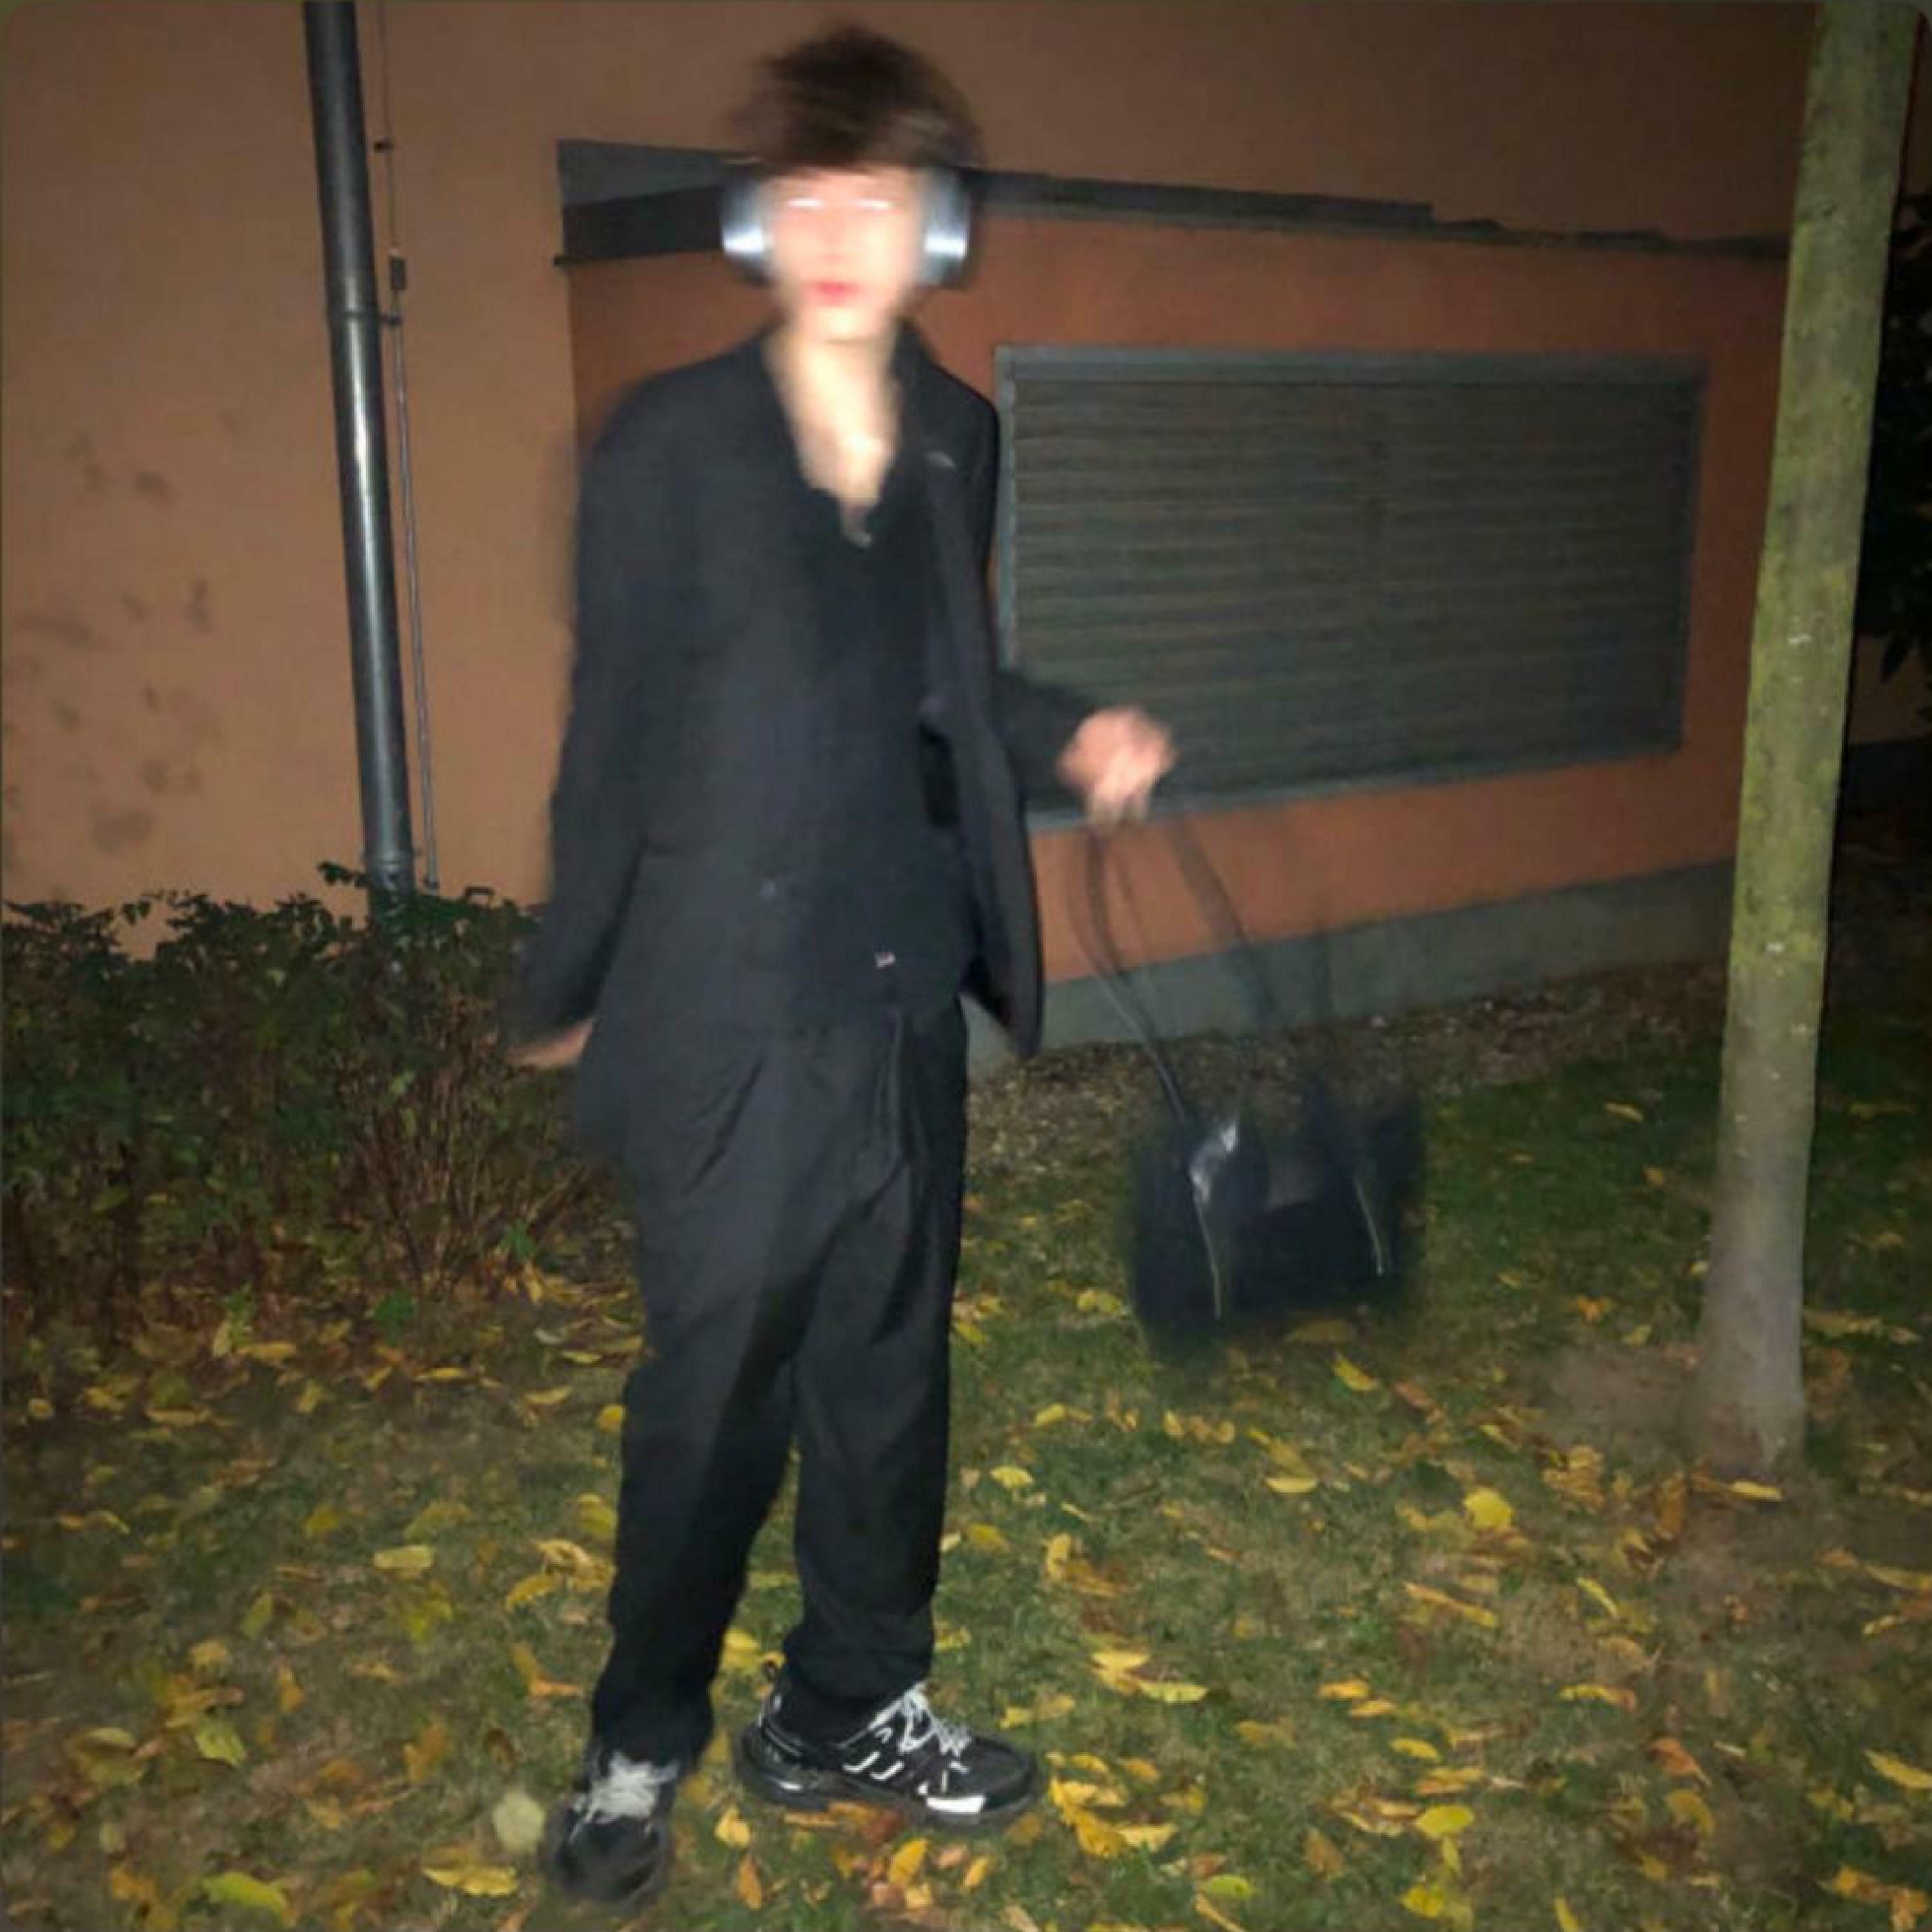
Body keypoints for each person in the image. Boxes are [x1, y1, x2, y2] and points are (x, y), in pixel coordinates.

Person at [498, 22, 1174, 1912]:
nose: (839, 237)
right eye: (805, 200)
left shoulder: (957, 435)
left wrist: (1067, 729)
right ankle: (640, 1742)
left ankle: (851, 1706)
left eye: (878, 203)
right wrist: (570, 978)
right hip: (726, 1009)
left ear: (935, 230)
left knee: (888, 1376)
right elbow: (614, 729)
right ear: (755, 225)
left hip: (896, 993)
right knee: (715, 1402)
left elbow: (942, 689)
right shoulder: (672, 445)